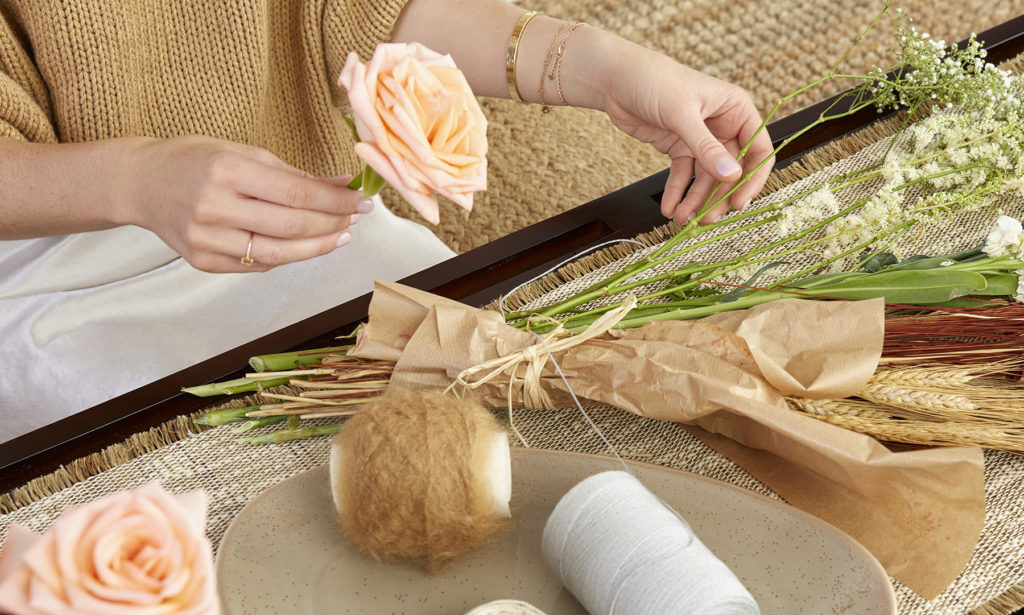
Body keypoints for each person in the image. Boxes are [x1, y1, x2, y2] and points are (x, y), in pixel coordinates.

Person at [0, 0, 773, 443]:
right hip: (50, 261)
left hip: (288, 205)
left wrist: (603, 66)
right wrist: (138, 179)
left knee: (504, 389)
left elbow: (359, 9)